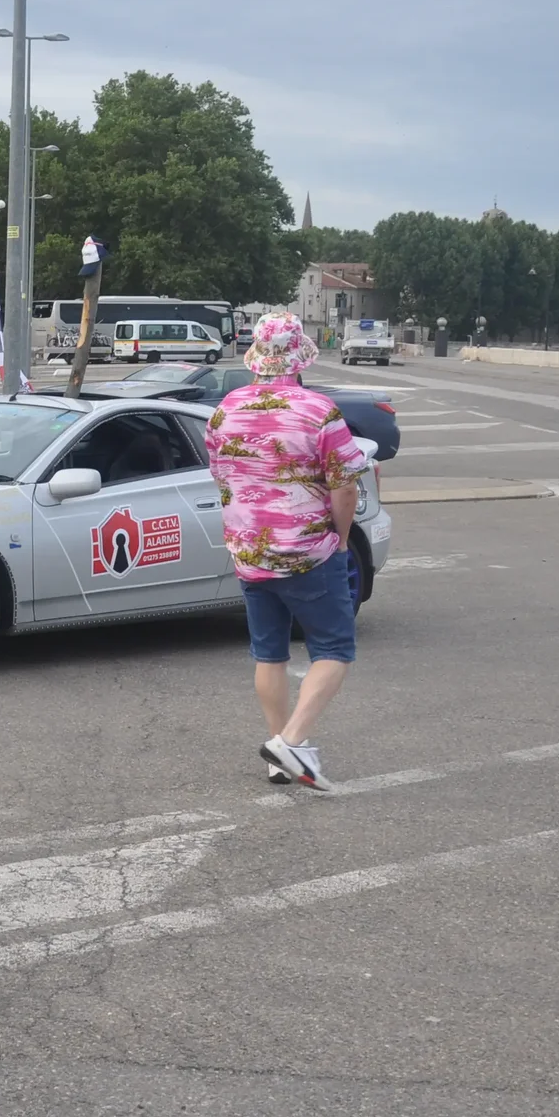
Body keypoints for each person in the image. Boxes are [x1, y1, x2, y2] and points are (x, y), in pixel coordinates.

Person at [204, 311, 370, 793]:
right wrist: (339, 539)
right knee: (334, 649)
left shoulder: (225, 410)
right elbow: (344, 488)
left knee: (269, 653)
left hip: (249, 552)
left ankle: (279, 757)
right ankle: (291, 743)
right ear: (300, 358)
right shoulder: (319, 411)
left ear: (256, 356)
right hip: (308, 552)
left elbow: (221, 474)